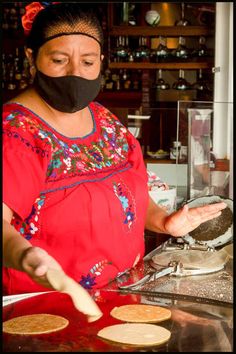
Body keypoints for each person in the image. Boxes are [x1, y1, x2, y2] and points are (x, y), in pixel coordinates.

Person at [3, 3, 226, 301]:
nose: (75, 73)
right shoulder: (16, 132)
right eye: (58, 60)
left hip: (123, 293)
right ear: (32, 58)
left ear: (101, 61)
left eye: (88, 62)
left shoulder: (105, 121)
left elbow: (129, 194)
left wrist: (164, 221)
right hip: (46, 304)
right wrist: (26, 256)